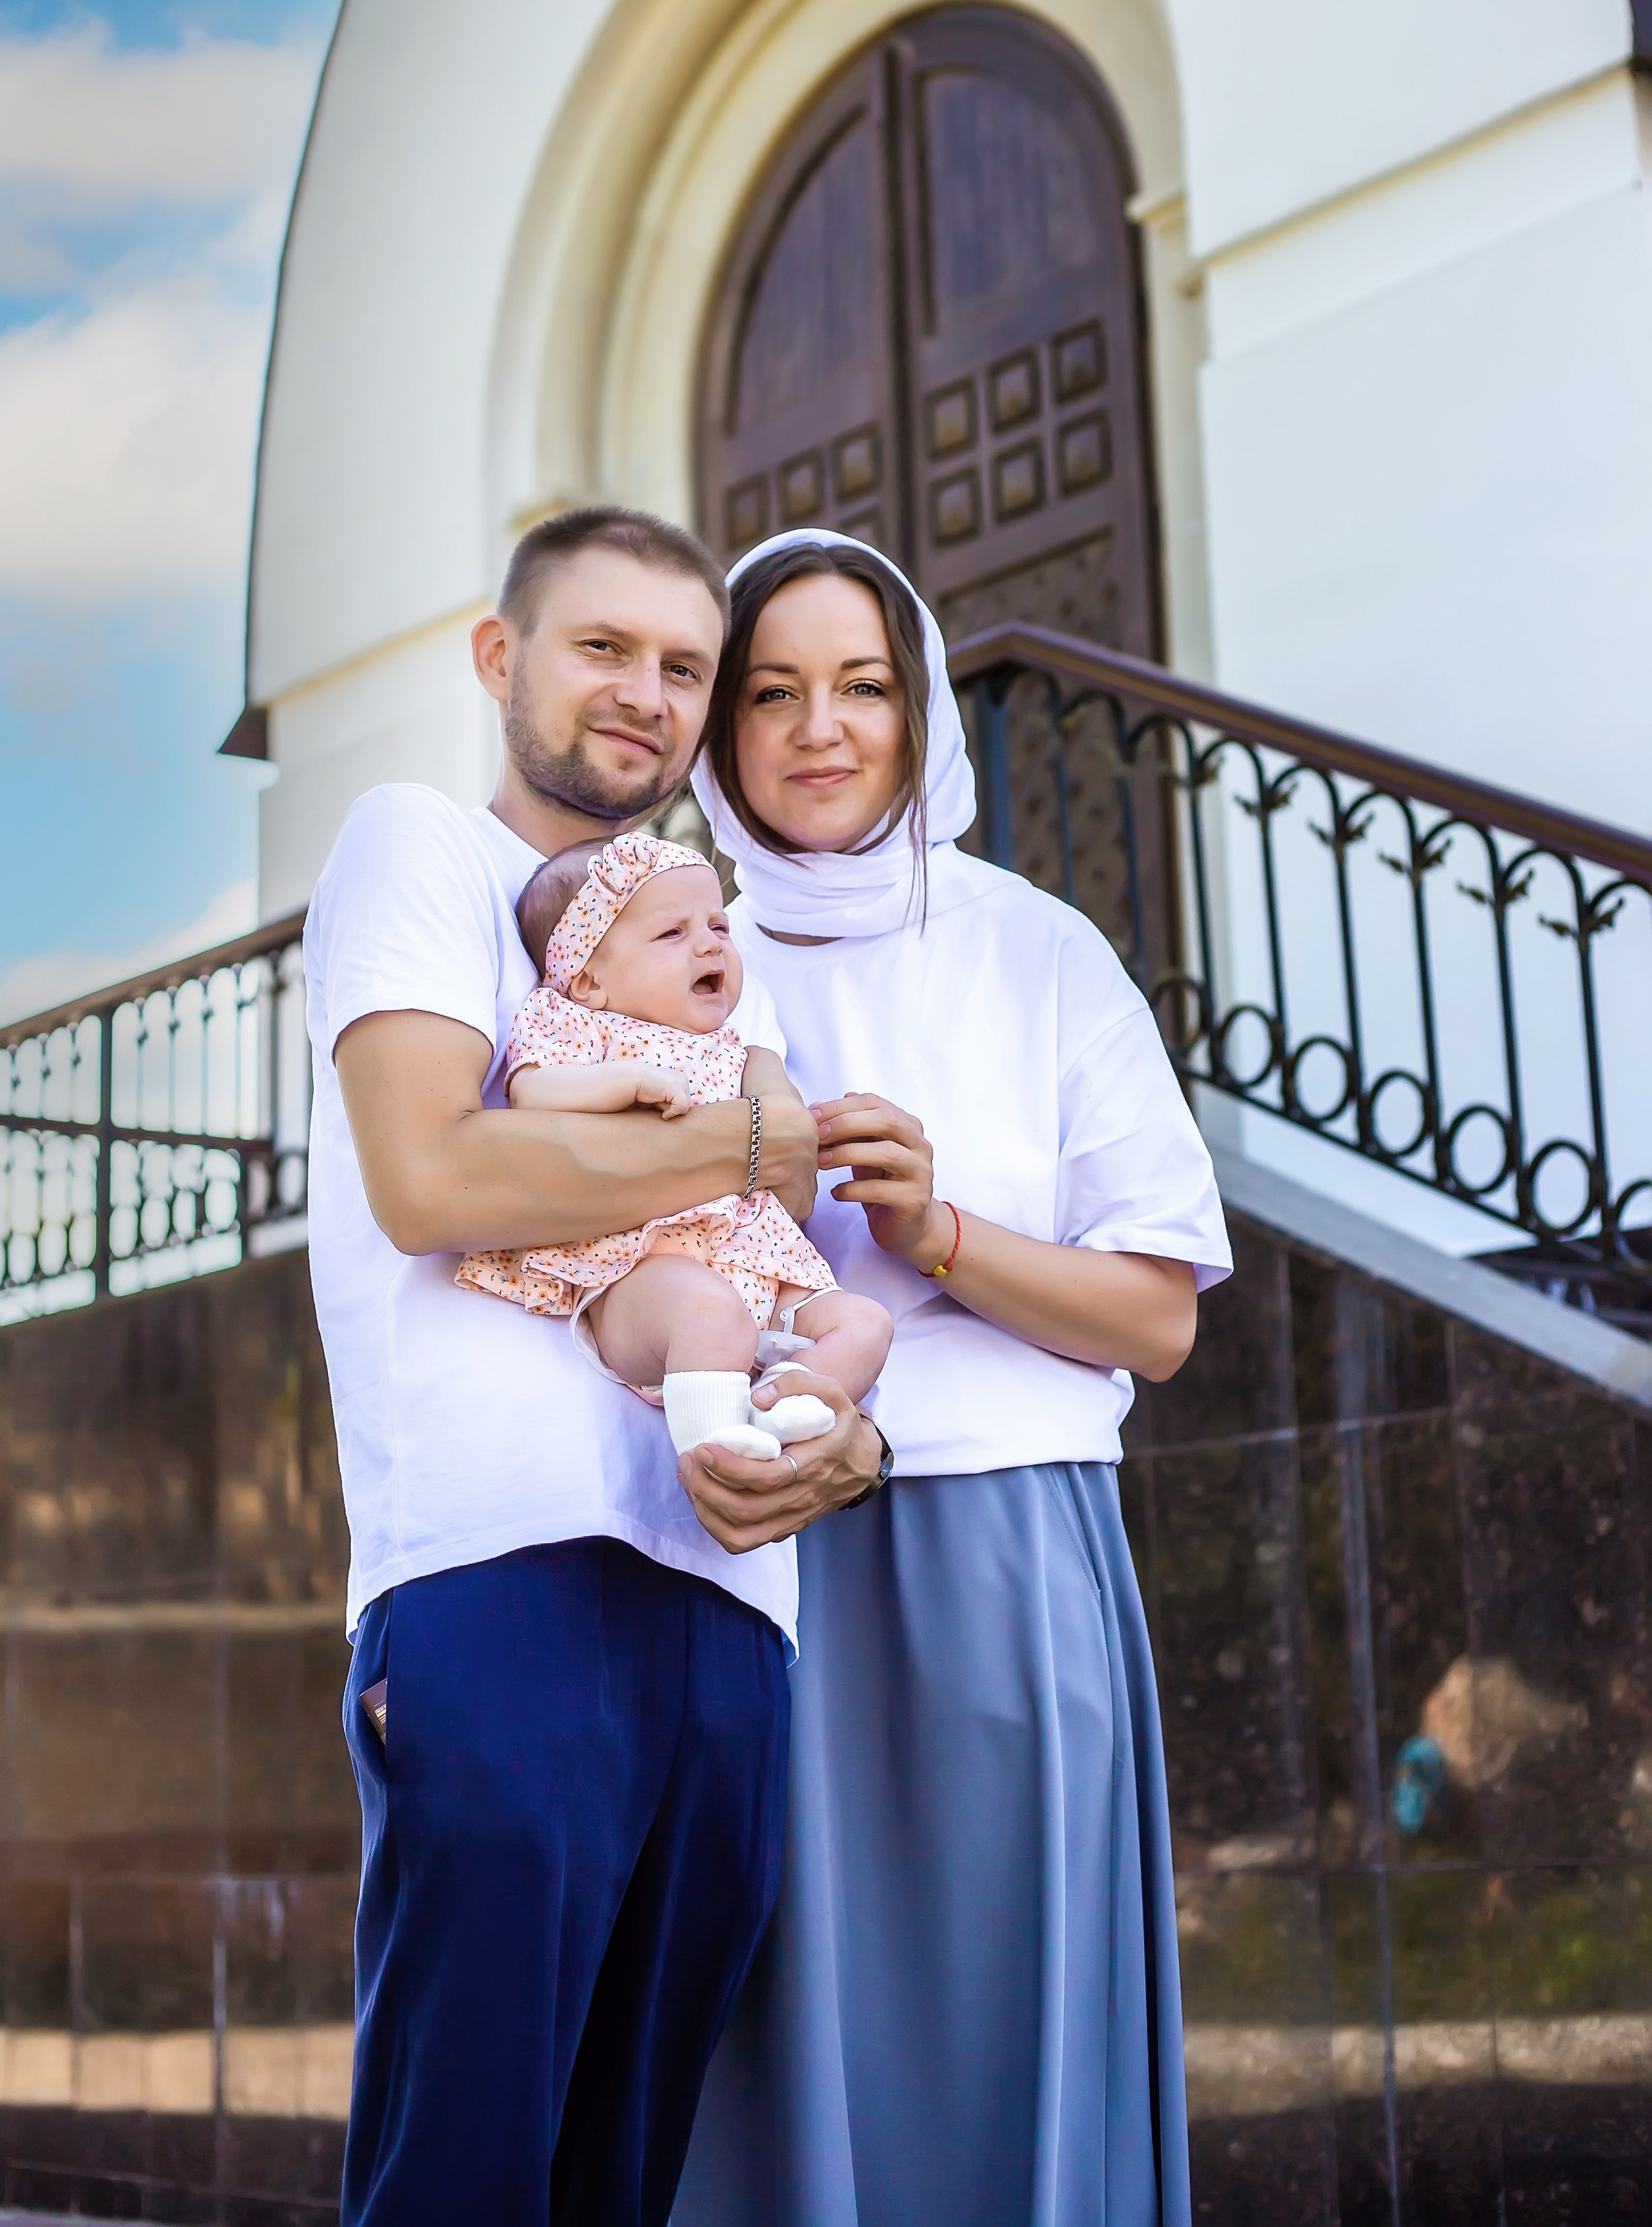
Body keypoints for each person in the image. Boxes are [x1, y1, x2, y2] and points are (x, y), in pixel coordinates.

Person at [302, 506, 887, 2227]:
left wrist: (847, 1450)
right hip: (497, 1579)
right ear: (504, 660)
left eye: (685, 668)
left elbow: (799, 1268)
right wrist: (753, 1132)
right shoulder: (421, 847)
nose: (648, 694)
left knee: (623, 2179)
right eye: (604, 647)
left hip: (729, 1595)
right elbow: (438, 1179)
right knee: (463, 2169)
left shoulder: (720, 954)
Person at [672, 529, 1233, 2227]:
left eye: (862, 687)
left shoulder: (1036, 948)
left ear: (920, 714)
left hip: (1000, 1556)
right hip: (743, 1556)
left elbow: (1155, 1318)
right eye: (772, 692)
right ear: (719, 734)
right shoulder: (666, 962)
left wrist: (940, 1236)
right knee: (764, 2036)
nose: (819, 729)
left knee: (1005, 2031)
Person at [456, 827, 892, 1455]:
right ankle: (718, 1453)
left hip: (758, 1257)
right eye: (672, 933)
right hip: (645, 1264)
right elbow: (534, 1091)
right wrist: (624, 1082)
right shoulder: (578, 1022)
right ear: (587, 979)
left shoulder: (733, 1042)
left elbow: (786, 1148)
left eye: (718, 926)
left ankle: (790, 1398)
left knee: (865, 1322)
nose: (709, 945)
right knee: (709, 1317)